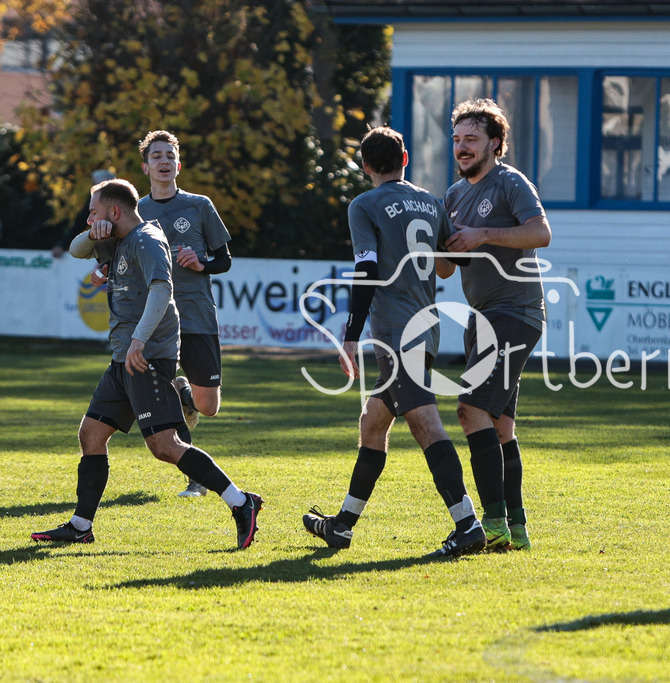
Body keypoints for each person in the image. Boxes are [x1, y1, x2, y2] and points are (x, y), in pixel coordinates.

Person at [30, 179, 262, 549]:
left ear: (115, 211)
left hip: (147, 356)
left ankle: (241, 502)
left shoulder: (148, 239)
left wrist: (139, 339)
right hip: (124, 357)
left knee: (165, 446)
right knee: (91, 434)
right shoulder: (117, 238)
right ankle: (80, 525)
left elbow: (162, 290)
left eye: (93, 211)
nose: (88, 217)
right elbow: (76, 250)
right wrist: (94, 231)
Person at [302, 127, 485, 557]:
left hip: (395, 333)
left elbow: (366, 270)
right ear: (405, 158)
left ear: (365, 166)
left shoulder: (364, 204)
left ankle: (468, 525)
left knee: (425, 423)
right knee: (373, 421)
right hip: (427, 328)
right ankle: (343, 526)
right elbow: (447, 267)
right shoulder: (428, 200)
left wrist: (349, 336)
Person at [443, 98, 552, 551]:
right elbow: (448, 268)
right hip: (482, 319)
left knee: (469, 411)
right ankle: (517, 529)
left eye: (472, 139)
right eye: (457, 140)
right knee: (500, 426)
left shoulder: (510, 183)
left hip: (515, 314)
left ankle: (491, 524)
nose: (463, 147)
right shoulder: (453, 195)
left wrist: (483, 234)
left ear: (495, 143)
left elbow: (541, 233)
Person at [137, 130, 233, 498]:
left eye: (169, 155)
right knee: (163, 401)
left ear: (179, 163)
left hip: (196, 315)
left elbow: (224, 260)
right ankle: (196, 479)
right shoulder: (137, 211)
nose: (164, 161)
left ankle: (188, 396)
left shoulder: (199, 205)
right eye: (156, 156)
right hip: (155, 319)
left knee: (208, 406)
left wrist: (201, 263)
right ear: (146, 167)